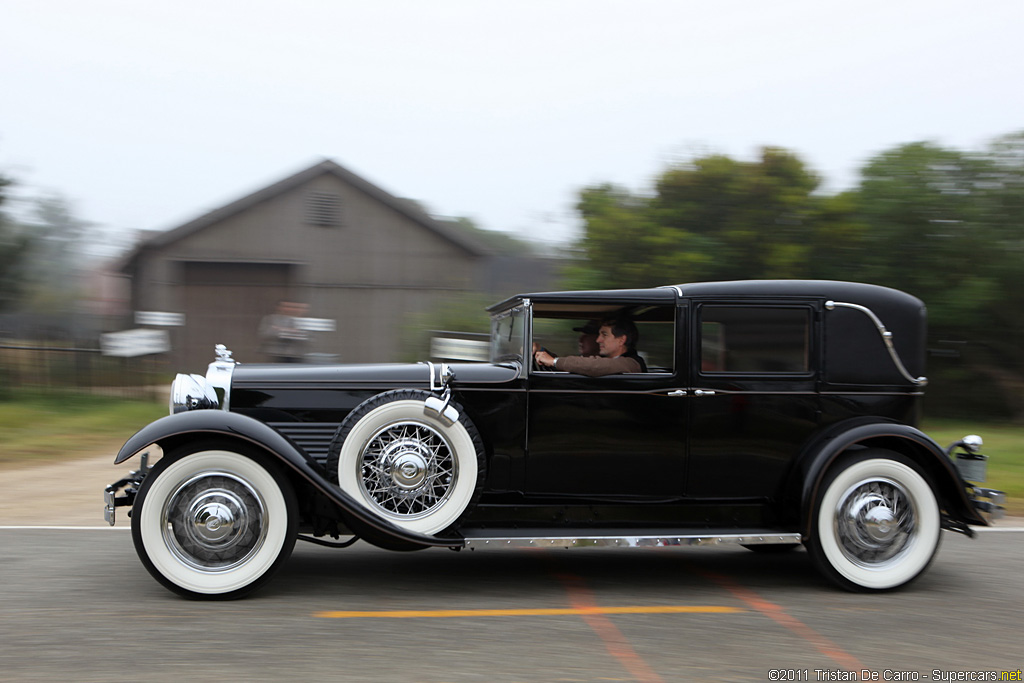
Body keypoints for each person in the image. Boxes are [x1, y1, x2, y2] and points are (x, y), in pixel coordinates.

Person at [534, 317, 645, 377]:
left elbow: (594, 365)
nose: (598, 340)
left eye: (604, 335)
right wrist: (541, 351)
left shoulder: (631, 364)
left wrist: (554, 361)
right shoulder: (612, 361)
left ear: (621, 340)